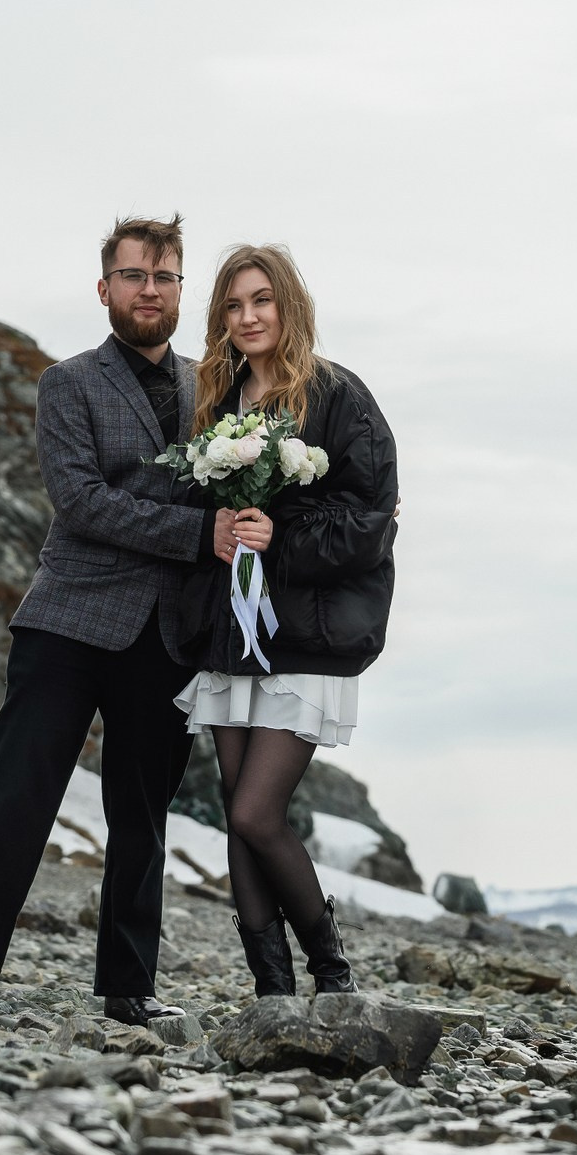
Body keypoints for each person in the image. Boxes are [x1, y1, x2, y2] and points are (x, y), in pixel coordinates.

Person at [0, 215, 222, 1021]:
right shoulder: (68, 383)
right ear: (105, 288)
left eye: (163, 277)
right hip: (69, 619)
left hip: (168, 631)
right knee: (17, 790)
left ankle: (129, 987)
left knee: (142, 815)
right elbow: (82, 501)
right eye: (133, 276)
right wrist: (200, 534)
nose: (149, 290)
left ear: (181, 290)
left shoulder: (215, 388)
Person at [179, 244, 400, 997]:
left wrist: (283, 537)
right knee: (237, 816)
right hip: (232, 632)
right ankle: (272, 989)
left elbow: (371, 519)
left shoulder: (337, 395)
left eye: (261, 300)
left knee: (255, 811)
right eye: (233, 305)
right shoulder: (218, 403)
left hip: (302, 634)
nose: (248, 317)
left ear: (289, 305)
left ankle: (332, 975)